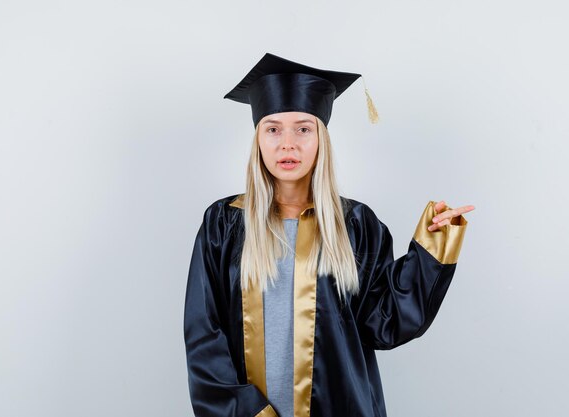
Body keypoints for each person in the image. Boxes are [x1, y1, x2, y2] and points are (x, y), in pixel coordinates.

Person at [183, 52, 475, 417]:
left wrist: (433, 248)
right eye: (273, 129)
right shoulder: (223, 226)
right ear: (257, 138)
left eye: (303, 129)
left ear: (321, 138)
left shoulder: (355, 225)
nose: (287, 144)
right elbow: (204, 337)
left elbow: (383, 323)